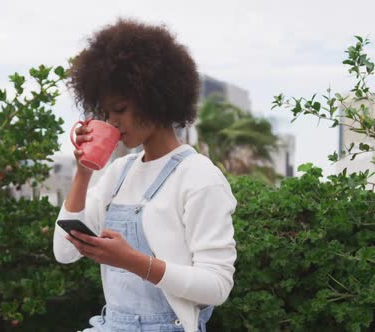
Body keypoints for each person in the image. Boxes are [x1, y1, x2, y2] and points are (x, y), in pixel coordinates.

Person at [53, 18, 237, 332]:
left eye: (120, 109)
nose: (112, 122)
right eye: (106, 112)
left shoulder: (199, 177)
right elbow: (65, 251)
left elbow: (217, 286)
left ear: (155, 99)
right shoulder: (119, 173)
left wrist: (134, 262)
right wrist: (83, 174)